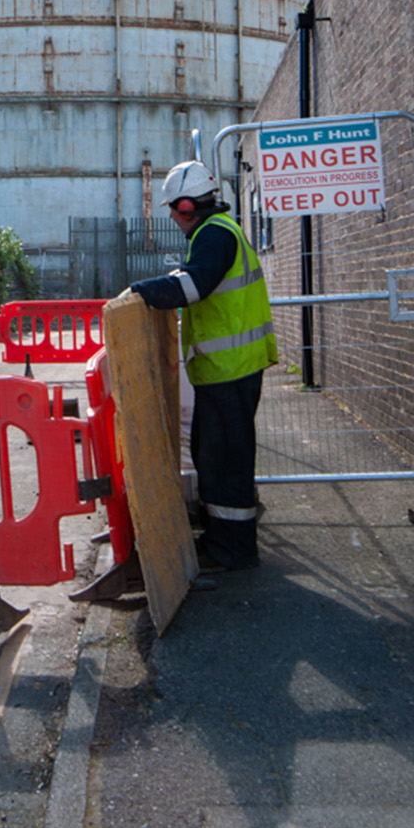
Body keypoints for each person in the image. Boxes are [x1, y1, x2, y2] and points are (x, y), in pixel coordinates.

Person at [130, 159, 277, 571]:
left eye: (174, 211)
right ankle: (221, 541)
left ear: (187, 207)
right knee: (215, 456)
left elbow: (193, 286)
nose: (175, 220)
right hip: (228, 369)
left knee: (225, 461)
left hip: (229, 370)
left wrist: (138, 292)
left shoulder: (213, 236)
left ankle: (234, 551)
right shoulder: (217, 233)